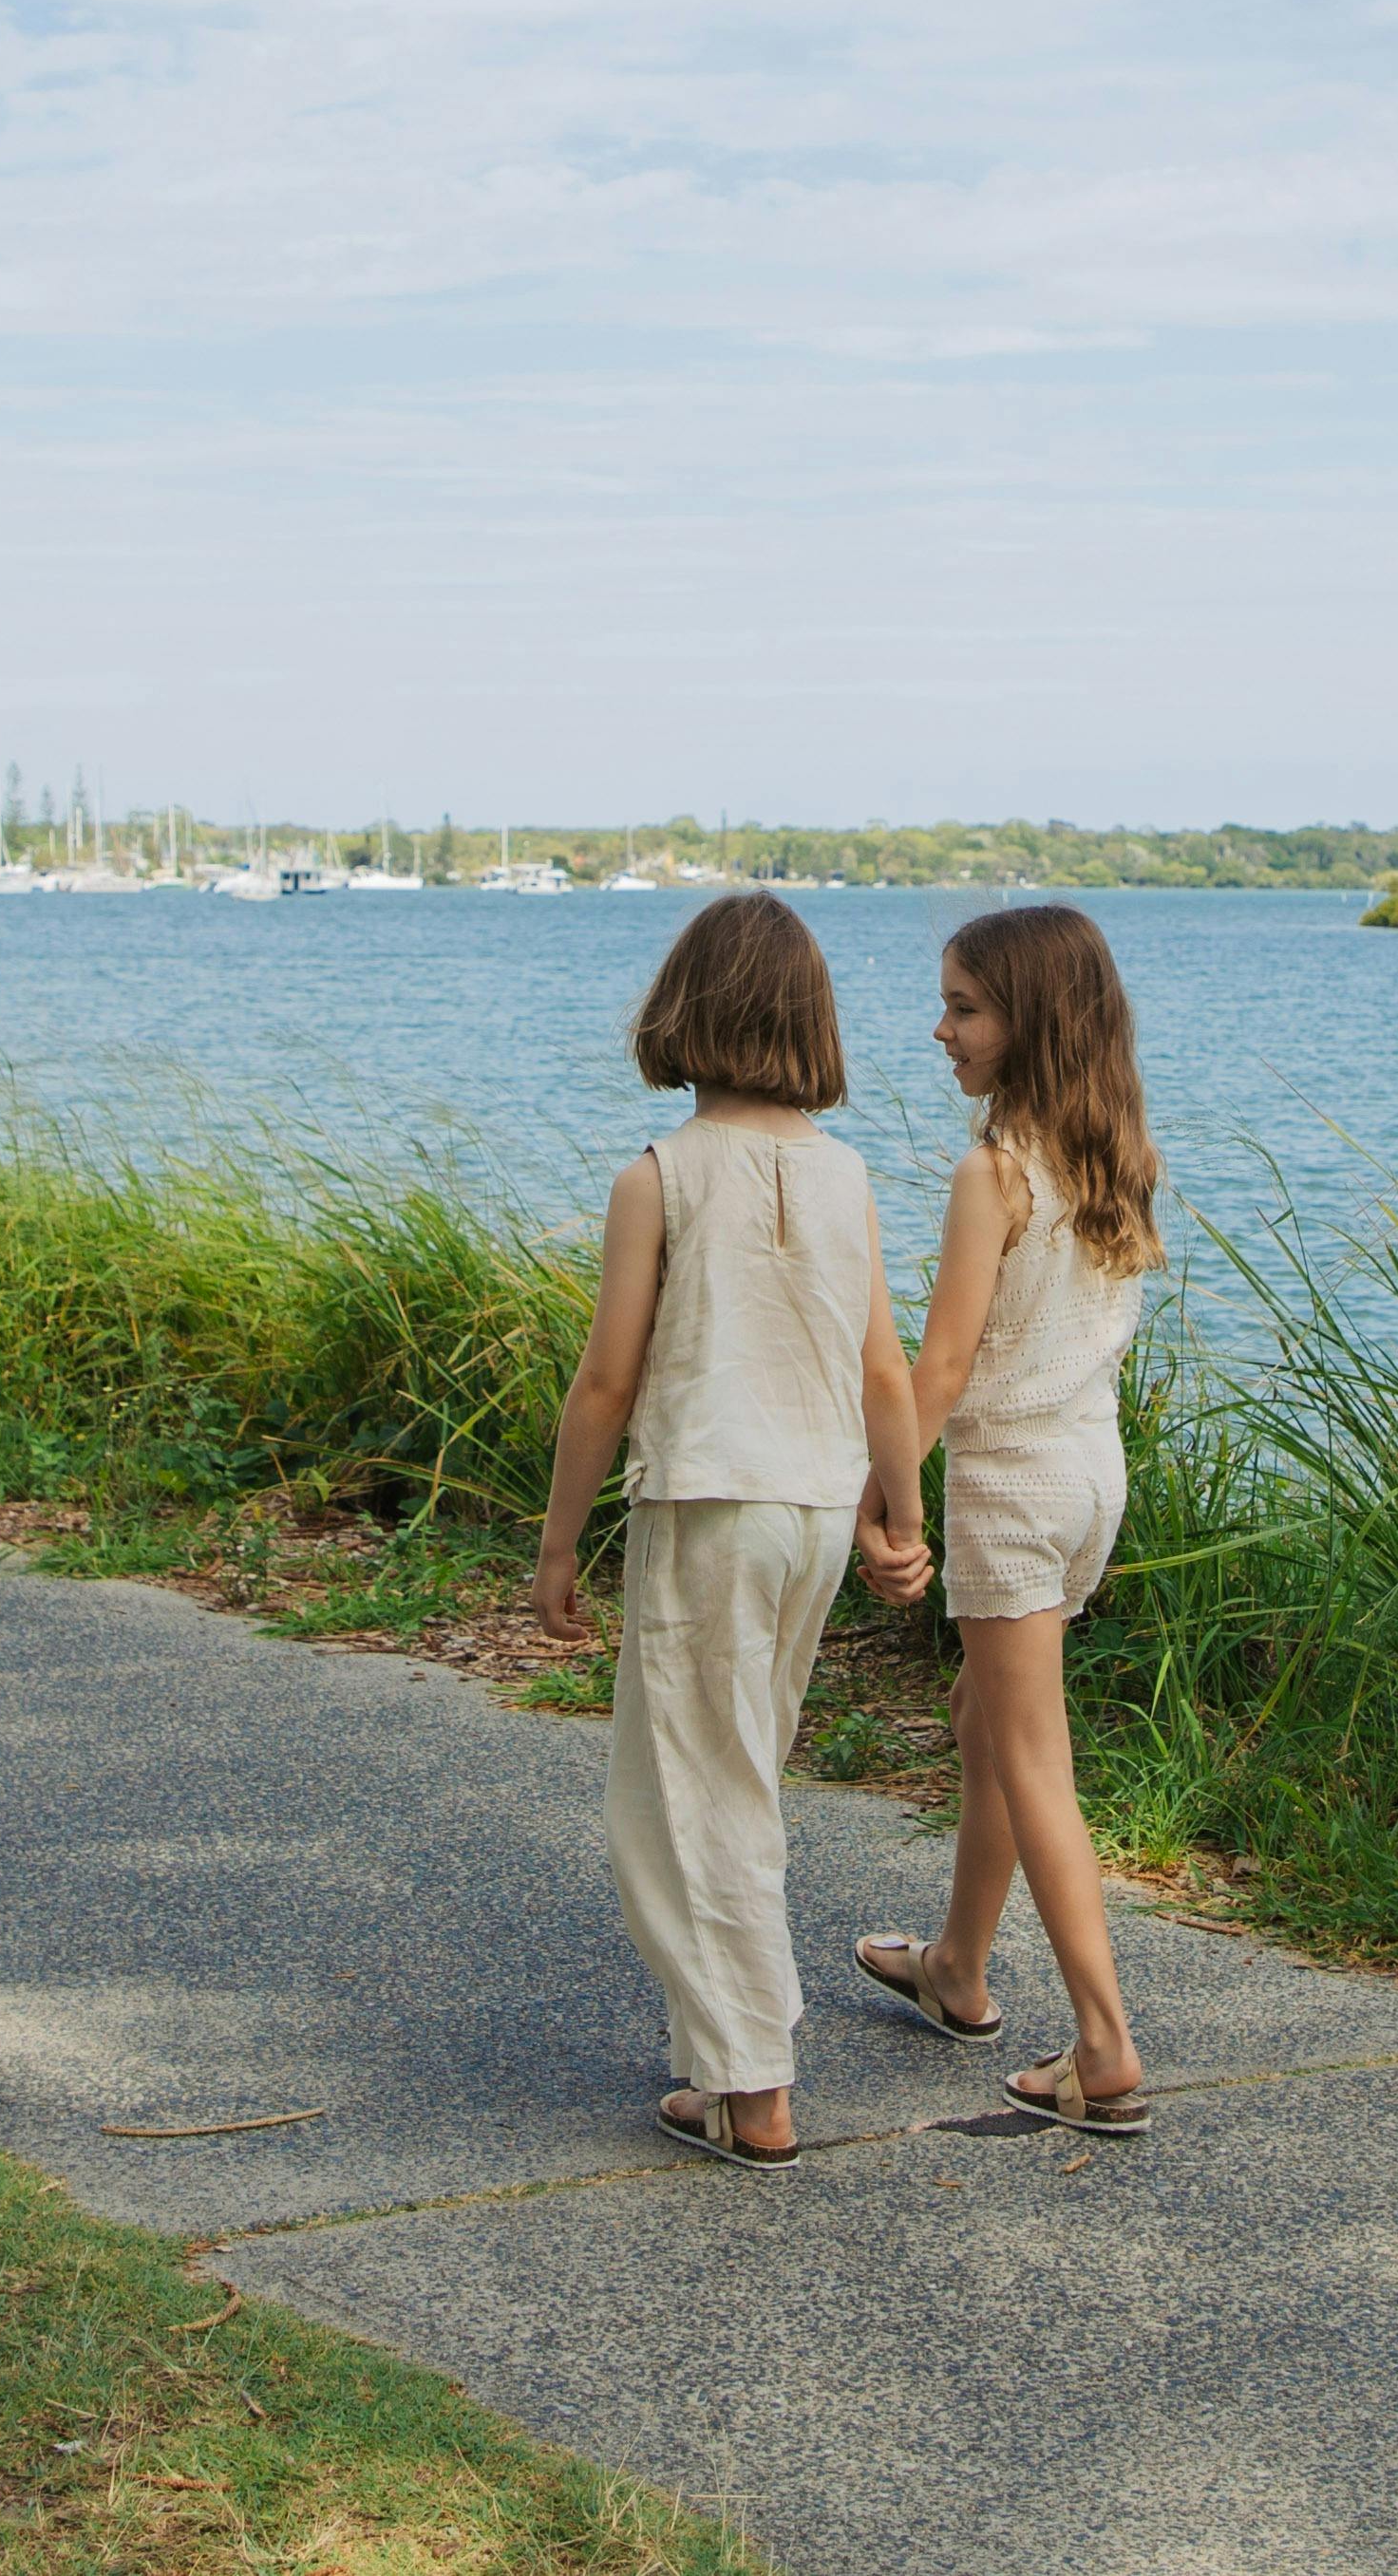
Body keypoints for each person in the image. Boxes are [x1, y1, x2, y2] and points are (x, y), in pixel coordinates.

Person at [532, 891, 930, 2170]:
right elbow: (884, 1368)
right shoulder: (844, 1173)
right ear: (808, 1018)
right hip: (815, 1507)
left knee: (684, 1801)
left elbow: (604, 1381)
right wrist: (901, 1516)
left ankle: (753, 2081)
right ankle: (724, 2062)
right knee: (738, 1774)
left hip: (709, 1502)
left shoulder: (657, 1177)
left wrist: (555, 1544)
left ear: (682, 1012)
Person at [847, 903, 1162, 2134]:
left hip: (1015, 1485)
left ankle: (1103, 2041)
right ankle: (956, 1967)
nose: (939, 1030)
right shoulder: (1110, 1157)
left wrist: (881, 1500)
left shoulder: (995, 1174)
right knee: (987, 1713)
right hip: (1092, 1478)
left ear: (1028, 1021)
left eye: (963, 1007)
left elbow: (942, 1366)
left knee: (1032, 1760)